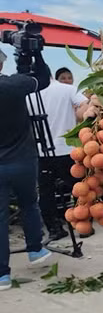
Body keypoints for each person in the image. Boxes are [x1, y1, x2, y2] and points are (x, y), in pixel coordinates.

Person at [0, 47, 52, 290]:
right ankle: (34, 249)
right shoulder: (13, 86)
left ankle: (2, 275)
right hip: (22, 160)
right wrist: (36, 54)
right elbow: (42, 79)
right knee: (29, 203)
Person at [34, 74, 90, 241]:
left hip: (41, 152)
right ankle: (83, 226)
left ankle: (54, 229)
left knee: (46, 193)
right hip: (68, 149)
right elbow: (84, 107)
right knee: (79, 189)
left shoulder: (29, 93)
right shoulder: (67, 89)